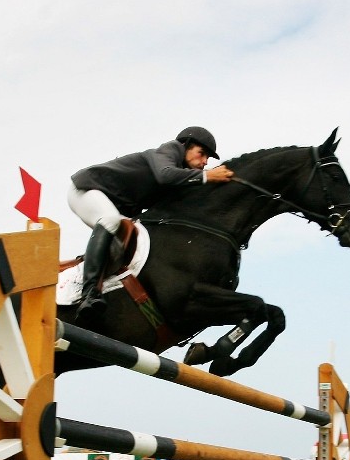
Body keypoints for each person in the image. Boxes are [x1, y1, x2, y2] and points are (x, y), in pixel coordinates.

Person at [68, 127, 234, 327]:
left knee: (130, 237)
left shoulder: (181, 177)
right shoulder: (169, 150)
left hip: (111, 204)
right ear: (186, 145)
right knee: (110, 219)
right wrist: (208, 177)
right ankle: (90, 293)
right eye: (202, 153)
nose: (205, 162)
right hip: (86, 190)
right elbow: (165, 175)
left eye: (207, 158)